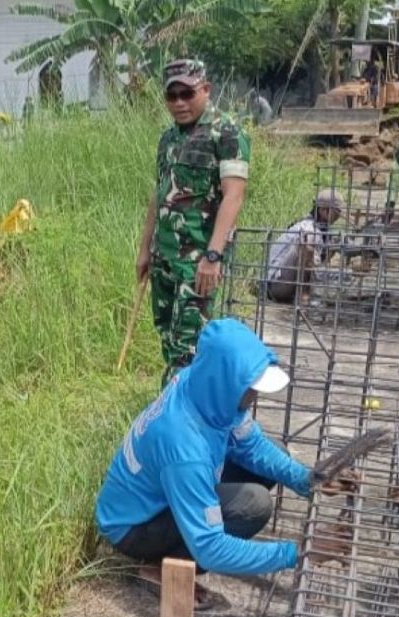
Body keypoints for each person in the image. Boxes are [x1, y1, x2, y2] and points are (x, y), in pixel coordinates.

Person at [96, 319, 351, 609]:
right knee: (253, 505)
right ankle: (164, 568)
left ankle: (177, 548)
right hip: (134, 526)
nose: (255, 396)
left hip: (157, 493)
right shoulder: (184, 445)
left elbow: (250, 444)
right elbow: (210, 548)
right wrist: (298, 552)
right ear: (226, 382)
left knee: (272, 456)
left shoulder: (204, 386)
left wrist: (306, 479)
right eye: (250, 388)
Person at [135, 58, 250, 384]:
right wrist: (145, 250)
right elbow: (159, 195)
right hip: (164, 258)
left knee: (189, 346)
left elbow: (233, 196)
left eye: (187, 93)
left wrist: (212, 256)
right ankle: (170, 411)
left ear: (206, 90)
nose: (179, 103)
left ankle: (179, 418)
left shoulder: (226, 134)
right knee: (168, 339)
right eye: (172, 96)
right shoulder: (168, 139)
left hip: (197, 263)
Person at [263, 189, 343, 304]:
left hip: (280, 280)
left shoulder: (317, 227)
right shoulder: (310, 229)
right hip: (275, 285)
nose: (338, 217)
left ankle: (305, 294)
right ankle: (303, 297)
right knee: (307, 243)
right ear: (323, 211)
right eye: (337, 212)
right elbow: (311, 263)